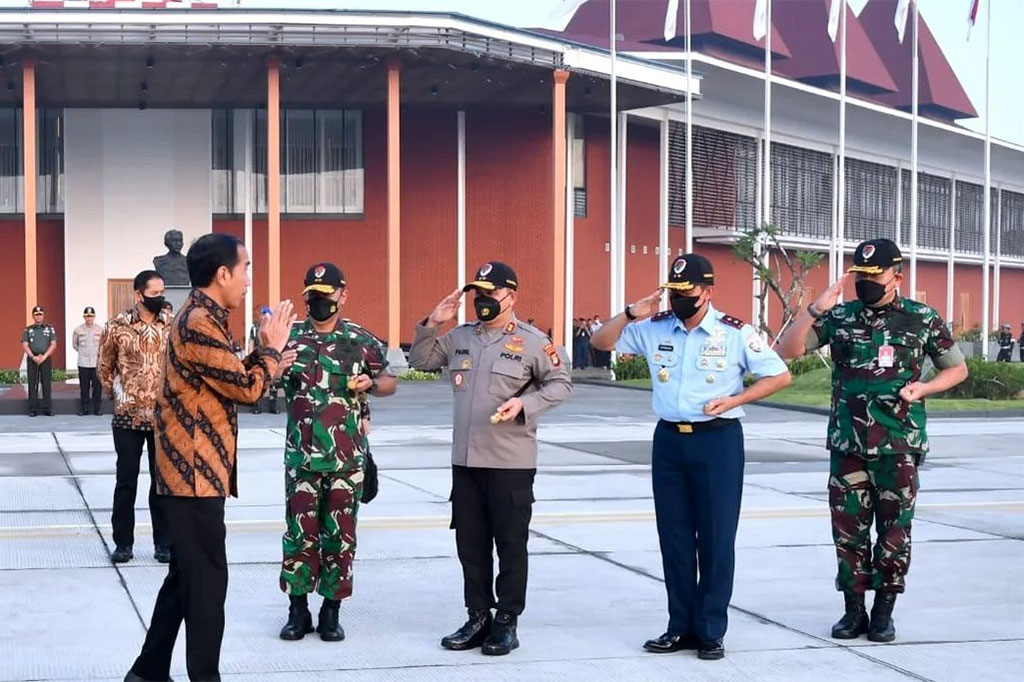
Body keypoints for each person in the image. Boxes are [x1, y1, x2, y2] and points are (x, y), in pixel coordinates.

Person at [591, 253, 792, 661]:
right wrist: (630, 313)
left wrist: (736, 399)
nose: (680, 298)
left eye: (687, 291)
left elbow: (780, 375)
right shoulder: (654, 327)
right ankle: (679, 626)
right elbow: (600, 342)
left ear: (708, 291)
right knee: (675, 537)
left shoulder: (734, 332)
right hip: (670, 441)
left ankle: (711, 629)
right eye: (674, 291)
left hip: (717, 441)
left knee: (716, 538)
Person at [777, 238, 968, 644]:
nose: (866, 282)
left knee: (895, 530)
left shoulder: (921, 318)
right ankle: (853, 610)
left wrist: (924, 388)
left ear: (897, 276)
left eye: (874, 275)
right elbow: (787, 350)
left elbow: (957, 369)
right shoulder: (841, 316)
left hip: (898, 442)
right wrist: (814, 310)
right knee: (848, 530)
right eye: (860, 275)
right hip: (848, 443)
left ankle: (884, 611)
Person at [125, 233, 293, 682]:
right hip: (192, 478)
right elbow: (247, 389)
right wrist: (271, 351)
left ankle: (147, 671)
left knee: (185, 580)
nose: (248, 279)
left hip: (195, 475)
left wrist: (264, 356)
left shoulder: (205, 318)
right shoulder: (199, 320)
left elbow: (226, 375)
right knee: (206, 589)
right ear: (222, 273)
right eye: (245, 269)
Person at [409, 261, 572, 656]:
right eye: (477, 294)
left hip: (510, 462)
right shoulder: (461, 337)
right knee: (471, 545)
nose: (482, 300)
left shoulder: (533, 342)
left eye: (490, 293)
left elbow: (561, 383)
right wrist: (433, 321)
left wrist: (525, 404)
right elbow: (420, 360)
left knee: (511, 545)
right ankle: (478, 616)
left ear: (510, 297)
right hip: (466, 462)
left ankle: (506, 620)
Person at [277, 262, 397, 642]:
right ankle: (297, 610)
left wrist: (371, 384)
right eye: (312, 296)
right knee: (299, 535)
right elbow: (258, 381)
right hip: (301, 459)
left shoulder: (359, 339)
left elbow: (389, 380)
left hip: (346, 460)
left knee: (340, 537)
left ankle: (331, 610)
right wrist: (271, 363)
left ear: (342, 296)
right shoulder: (289, 339)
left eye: (326, 296)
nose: (319, 302)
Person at [98, 271, 172, 564]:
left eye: (162, 292)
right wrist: (120, 395)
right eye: (154, 293)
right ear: (138, 295)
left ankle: (164, 543)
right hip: (127, 417)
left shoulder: (172, 324)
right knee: (126, 482)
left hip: (163, 417)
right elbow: (104, 366)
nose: (160, 298)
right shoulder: (117, 326)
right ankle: (123, 544)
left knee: (161, 484)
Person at [22, 305, 57, 417]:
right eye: (36, 314)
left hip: (45, 359)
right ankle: (33, 409)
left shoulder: (49, 329)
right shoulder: (28, 329)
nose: (38, 316)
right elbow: (25, 344)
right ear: (33, 316)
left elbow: (53, 344)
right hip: (32, 359)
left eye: (40, 314)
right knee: (33, 384)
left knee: (46, 384)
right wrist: (33, 357)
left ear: (43, 315)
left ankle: (47, 408)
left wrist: (44, 356)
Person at [72, 306, 104, 416]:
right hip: (83, 363)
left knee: (97, 388)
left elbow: (103, 345)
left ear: (94, 317)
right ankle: (84, 409)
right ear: (84, 317)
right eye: (87, 316)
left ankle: (97, 409)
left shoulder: (100, 330)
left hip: (96, 363)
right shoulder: (78, 330)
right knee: (84, 387)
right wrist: (83, 352)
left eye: (91, 316)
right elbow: (75, 345)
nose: (89, 318)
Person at [248, 305, 274, 414]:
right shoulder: (255, 328)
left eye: (265, 314)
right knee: (257, 379)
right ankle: (256, 406)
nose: (263, 317)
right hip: (258, 355)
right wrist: (250, 354)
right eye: (262, 314)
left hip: (270, 356)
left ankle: (273, 407)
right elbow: (251, 342)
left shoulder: (272, 328)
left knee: (272, 382)